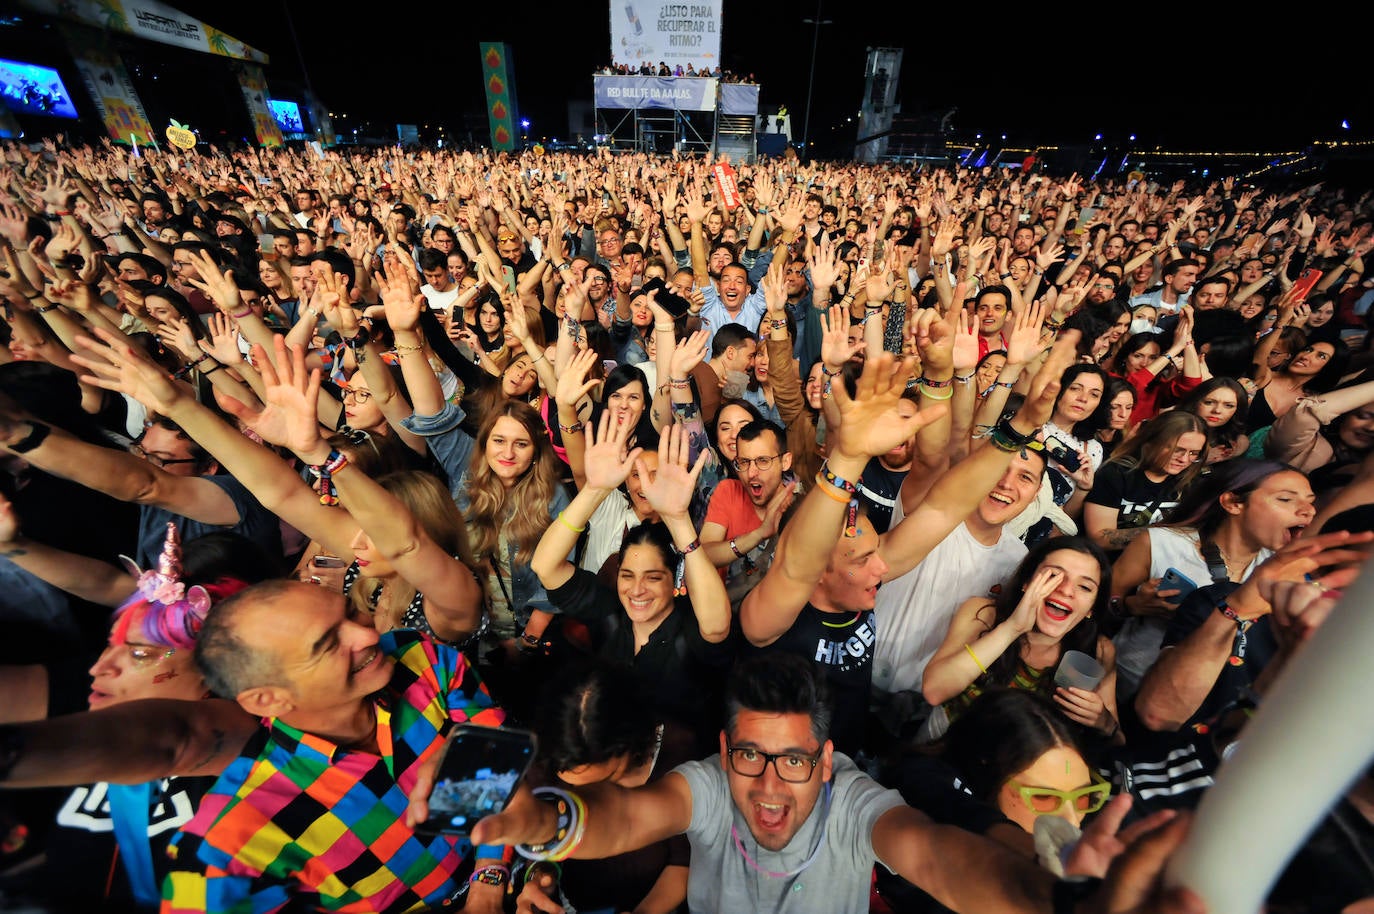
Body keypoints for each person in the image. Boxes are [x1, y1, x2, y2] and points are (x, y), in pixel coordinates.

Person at [465, 652, 1196, 914]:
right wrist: (534, 824)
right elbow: (628, 821)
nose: (770, 787)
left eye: (794, 761)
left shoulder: (853, 801)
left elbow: (937, 856)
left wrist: (1059, 905)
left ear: (825, 758)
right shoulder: (710, 783)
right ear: (726, 749)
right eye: (751, 756)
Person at [0, 525, 251, 911]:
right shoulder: (94, 699)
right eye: (109, 647)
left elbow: (173, 740)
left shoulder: (239, 747)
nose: (99, 668)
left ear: (215, 669)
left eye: (139, 655)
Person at [531, 420, 733, 743]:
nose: (637, 589)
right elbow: (545, 566)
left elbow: (717, 627)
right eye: (628, 576)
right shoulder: (610, 615)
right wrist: (594, 489)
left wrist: (680, 521)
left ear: (673, 581)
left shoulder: (688, 630)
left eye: (653, 578)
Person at [1115, 460, 1315, 705]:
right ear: (1233, 503)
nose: (1308, 510)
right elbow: (1098, 606)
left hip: (1208, 703)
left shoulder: (1282, 572)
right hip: (1133, 683)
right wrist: (1131, 605)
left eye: (1311, 501)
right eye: (1285, 499)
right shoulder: (1160, 544)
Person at [921, 538, 1121, 743]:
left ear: (1091, 608)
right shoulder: (983, 614)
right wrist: (1011, 629)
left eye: (1085, 587)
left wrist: (1104, 723)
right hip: (945, 742)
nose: (1066, 590)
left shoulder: (1100, 650)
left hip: (1020, 765)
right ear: (1027, 582)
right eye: (1053, 575)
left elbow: (1118, 739)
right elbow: (934, 691)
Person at [1083, 411, 1209, 553]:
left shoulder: (1194, 482)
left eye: (1194, 453)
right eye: (1177, 450)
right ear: (1152, 442)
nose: (1184, 460)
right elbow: (1100, 539)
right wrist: (1163, 532)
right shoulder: (1116, 474)